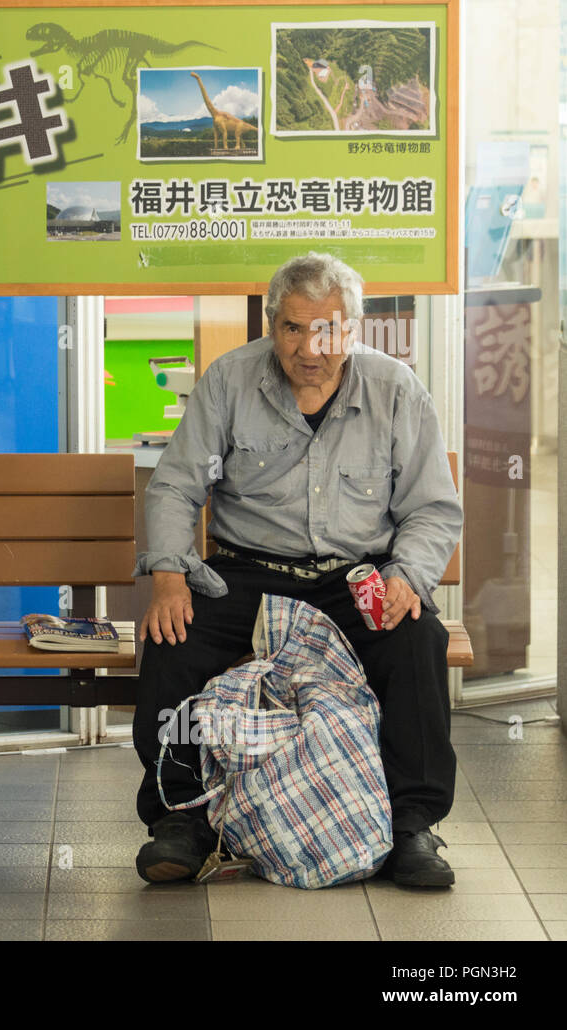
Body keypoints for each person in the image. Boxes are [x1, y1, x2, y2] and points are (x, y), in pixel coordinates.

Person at [133, 251, 463, 888]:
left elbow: (431, 509)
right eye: (293, 328)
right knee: (173, 638)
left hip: (354, 578)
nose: (311, 348)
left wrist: (407, 576)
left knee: (419, 640)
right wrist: (170, 576)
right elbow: (175, 486)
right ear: (270, 324)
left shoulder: (396, 390)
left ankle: (410, 826)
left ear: (354, 330)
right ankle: (180, 820)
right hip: (246, 576)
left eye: (329, 330)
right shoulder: (229, 381)